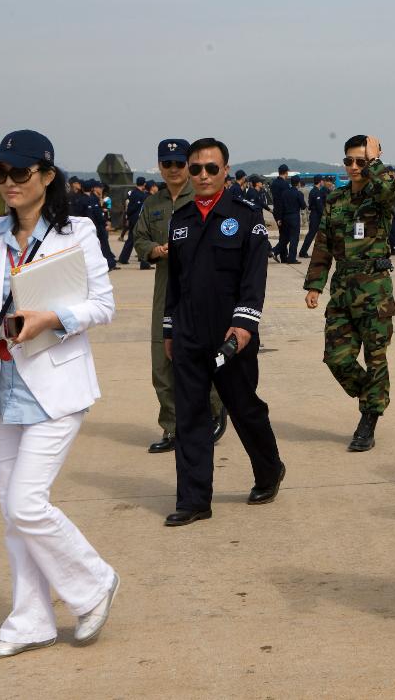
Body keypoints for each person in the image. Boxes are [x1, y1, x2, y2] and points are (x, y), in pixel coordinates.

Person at [0, 129, 120, 659]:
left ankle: (93, 583)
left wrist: (51, 318)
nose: (8, 183)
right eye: (0, 174)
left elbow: (103, 305)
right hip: (1, 383)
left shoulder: (77, 230)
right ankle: (30, 619)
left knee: (27, 504)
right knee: (11, 514)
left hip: (56, 385)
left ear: (46, 175)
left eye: (19, 173)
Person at [163, 137, 285, 526]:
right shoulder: (180, 219)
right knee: (190, 417)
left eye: (210, 168)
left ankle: (269, 470)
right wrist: (169, 329)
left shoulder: (246, 215)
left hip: (232, 335)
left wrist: (245, 323)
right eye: (194, 167)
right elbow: (174, 283)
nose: (201, 175)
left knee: (244, 407)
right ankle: (194, 500)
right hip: (188, 334)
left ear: (225, 171)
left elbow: (254, 276)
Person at [304, 136, 395, 452]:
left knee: (375, 358)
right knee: (337, 358)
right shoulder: (336, 199)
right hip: (343, 292)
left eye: (361, 161)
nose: (354, 167)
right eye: (349, 161)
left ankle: (368, 419)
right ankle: (373, 396)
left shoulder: (380, 197)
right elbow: (323, 243)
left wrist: (375, 160)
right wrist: (315, 285)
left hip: (375, 292)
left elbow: (388, 187)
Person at [133, 139, 227, 453]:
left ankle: (213, 411)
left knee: (203, 354)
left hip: (202, 287)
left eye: (179, 163)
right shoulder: (154, 203)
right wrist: (153, 250)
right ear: (159, 166)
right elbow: (140, 238)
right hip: (165, 285)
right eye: (166, 164)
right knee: (162, 360)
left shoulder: (202, 196)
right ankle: (173, 427)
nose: (173, 170)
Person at [116, 178, 147, 266]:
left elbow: (129, 207)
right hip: (137, 219)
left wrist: (128, 217)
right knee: (141, 239)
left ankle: (124, 258)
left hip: (133, 219)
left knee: (131, 239)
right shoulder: (141, 195)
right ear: (144, 184)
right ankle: (143, 260)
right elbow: (135, 208)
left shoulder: (133, 193)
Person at [299, 175, 330, 259]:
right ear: (320, 181)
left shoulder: (315, 191)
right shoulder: (315, 192)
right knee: (311, 234)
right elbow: (319, 207)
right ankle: (303, 252)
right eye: (322, 181)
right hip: (316, 216)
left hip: (316, 215)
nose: (323, 182)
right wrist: (325, 215)